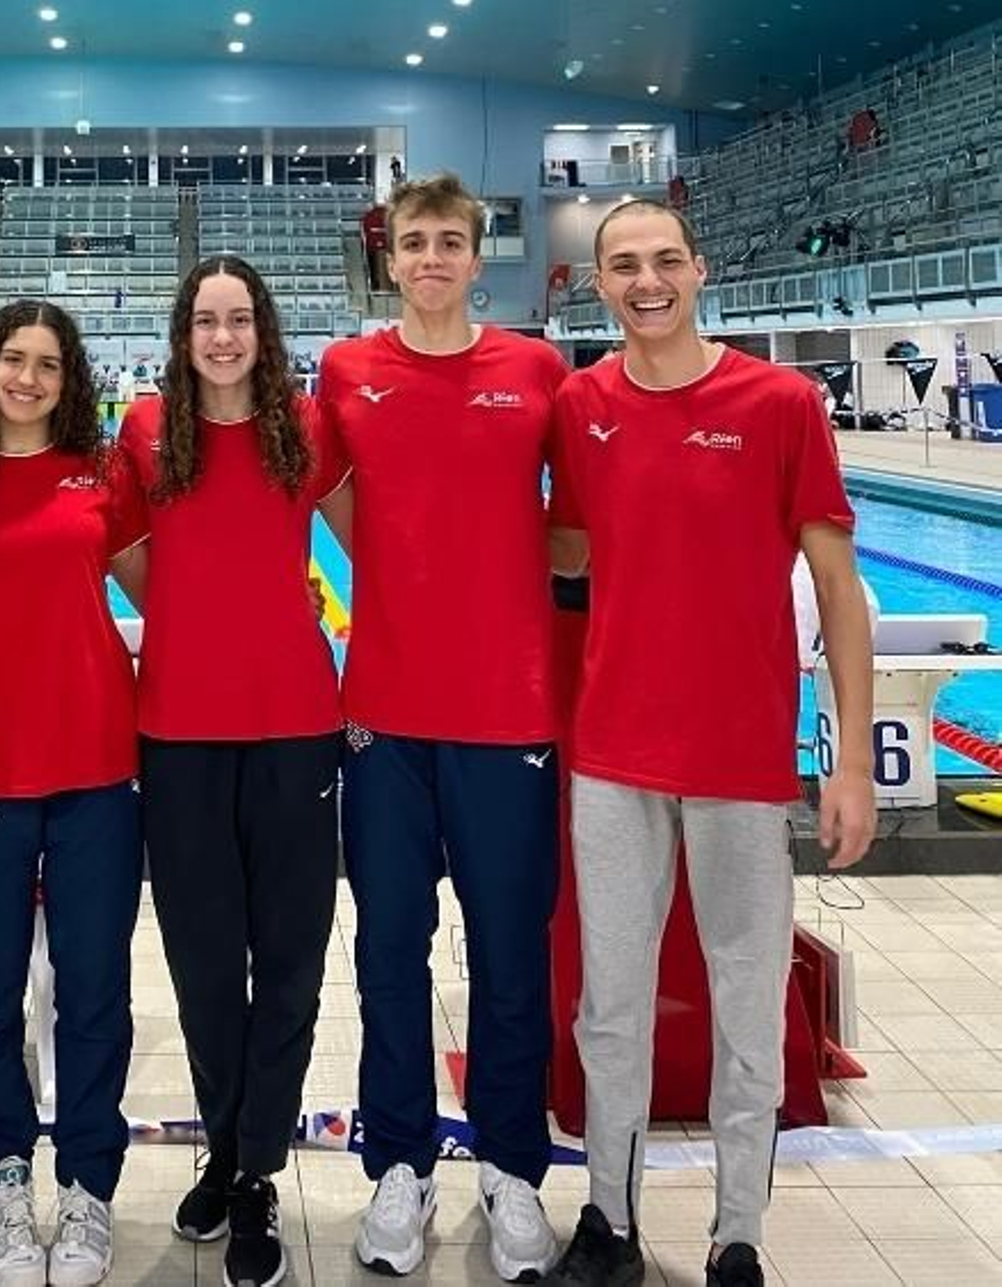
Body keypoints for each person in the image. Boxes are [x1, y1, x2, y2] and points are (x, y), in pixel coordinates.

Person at [541, 199, 876, 1287]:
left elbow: (837, 586)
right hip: (612, 752)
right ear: (599, 285)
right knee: (609, 1005)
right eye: (624, 266)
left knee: (745, 1002)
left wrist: (851, 761)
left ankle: (738, 1235)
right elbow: (566, 548)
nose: (646, 282)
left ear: (698, 270)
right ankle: (609, 1221)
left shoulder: (779, 402)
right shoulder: (581, 404)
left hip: (740, 758)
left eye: (664, 262)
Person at [315, 173, 566, 1283]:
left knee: (509, 953)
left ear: (476, 255)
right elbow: (325, 490)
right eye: (413, 241)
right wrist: (405, 566)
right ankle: (400, 1168)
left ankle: (511, 1168)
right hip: (383, 713)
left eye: (448, 241)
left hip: (508, 710)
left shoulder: (535, 370)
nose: (429, 258)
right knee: (387, 950)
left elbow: (580, 520)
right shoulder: (347, 371)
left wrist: (495, 575)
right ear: (391, 257)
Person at [117, 255, 349, 1287]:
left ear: (265, 330)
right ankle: (225, 1147)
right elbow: (128, 558)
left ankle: (255, 1171)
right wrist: (196, 618)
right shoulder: (144, 431)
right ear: (183, 334)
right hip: (178, 731)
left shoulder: (306, 427)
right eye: (206, 321)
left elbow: (372, 541)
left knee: (290, 961)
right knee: (205, 965)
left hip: (297, 726)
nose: (223, 338)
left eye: (240, 319)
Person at [0, 300, 147, 1287]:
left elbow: (161, 589)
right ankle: (5, 1177)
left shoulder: (101, 473)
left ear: (71, 380)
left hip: (98, 765)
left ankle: (89, 1182)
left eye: (47, 364)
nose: (27, 378)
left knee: (95, 989)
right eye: (12, 359)